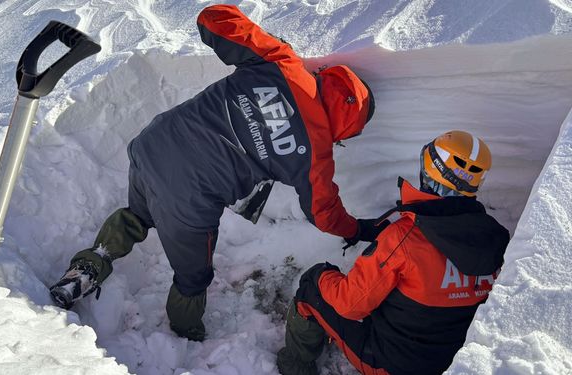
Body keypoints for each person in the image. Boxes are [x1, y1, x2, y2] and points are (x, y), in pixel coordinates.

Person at [49, 4, 377, 342]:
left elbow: (212, 19)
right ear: (345, 129)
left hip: (155, 144)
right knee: (193, 278)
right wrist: (358, 228)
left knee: (139, 212)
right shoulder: (315, 154)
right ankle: (183, 336)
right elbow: (324, 214)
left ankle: (90, 264)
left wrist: (272, 44)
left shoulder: (282, 64)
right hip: (190, 195)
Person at [277, 130, 510, 375]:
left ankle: (294, 366)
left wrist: (325, 276)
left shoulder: (403, 239)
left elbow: (350, 304)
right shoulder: (496, 238)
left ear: (430, 170)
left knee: (311, 288)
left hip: (392, 365)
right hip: (455, 361)